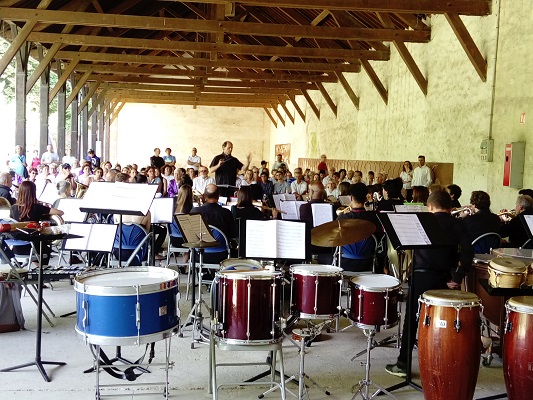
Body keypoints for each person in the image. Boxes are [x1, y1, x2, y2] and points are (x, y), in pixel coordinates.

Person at [385, 190, 473, 377]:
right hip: (445, 279)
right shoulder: (459, 224)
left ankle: (403, 364)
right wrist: (457, 278)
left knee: (412, 319)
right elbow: (467, 254)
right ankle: (440, 364)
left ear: (430, 206)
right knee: (442, 321)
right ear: (449, 207)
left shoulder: (422, 222)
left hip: (421, 277)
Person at [10, 181, 64, 266]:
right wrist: (45, 210)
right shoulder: (37, 207)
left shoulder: (13, 208)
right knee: (45, 246)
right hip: (33, 247)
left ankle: (36, 267)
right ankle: (41, 270)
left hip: (17, 247)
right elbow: (60, 212)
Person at [337, 183, 383, 272]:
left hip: (345, 262)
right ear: (366, 198)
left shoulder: (342, 219)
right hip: (367, 262)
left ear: (351, 198)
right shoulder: (375, 218)